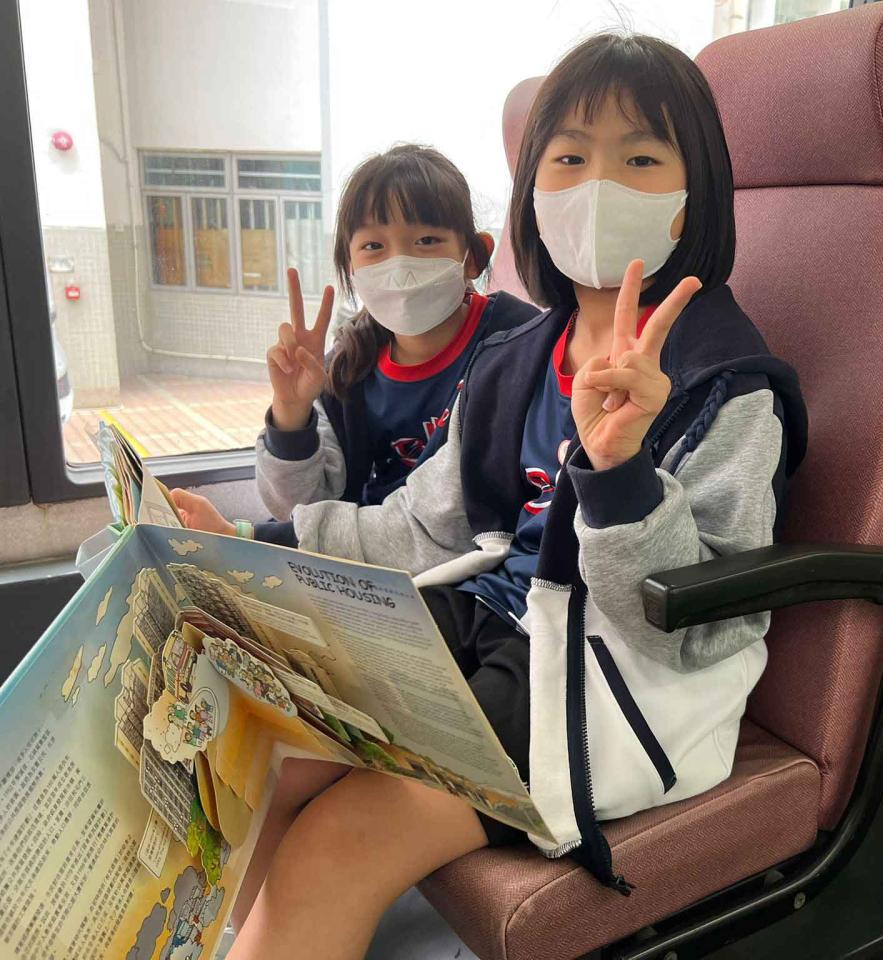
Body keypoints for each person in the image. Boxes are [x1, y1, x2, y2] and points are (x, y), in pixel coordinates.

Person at [172, 32, 806, 959]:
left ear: (694, 192)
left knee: (339, 845)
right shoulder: (516, 362)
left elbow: (705, 625)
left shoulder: (727, 384)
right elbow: (419, 526)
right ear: (533, 194)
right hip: (487, 623)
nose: (599, 187)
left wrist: (622, 477)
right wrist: (247, 539)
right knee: (261, 758)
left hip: (603, 676)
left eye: (640, 159)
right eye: (569, 159)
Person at [256, 144, 538, 526]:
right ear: (350, 268)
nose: (400, 265)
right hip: (368, 544)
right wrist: (291, 410)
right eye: (374, 246)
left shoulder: (519, 343)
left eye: (426, 241)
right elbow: (299, 508)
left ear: (473, 257)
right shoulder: (345, 369)